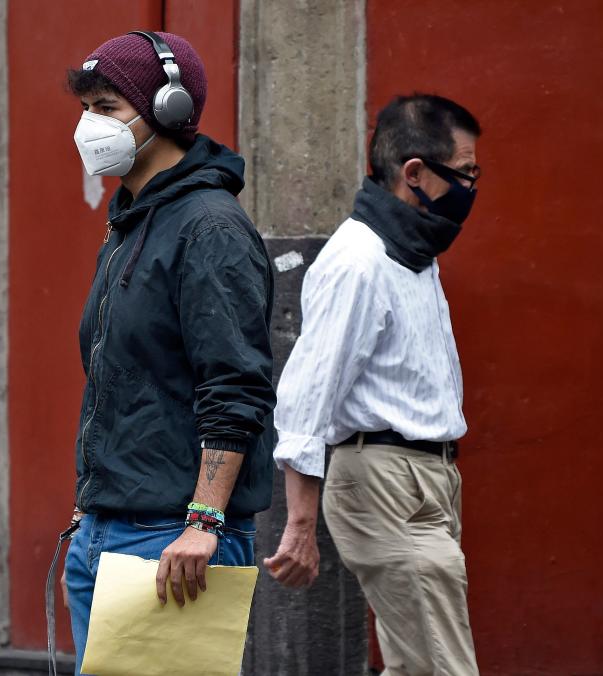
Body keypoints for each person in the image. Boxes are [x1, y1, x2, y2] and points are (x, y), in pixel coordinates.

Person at [59, 31, 276, 675]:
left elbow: (234, 385)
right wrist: (93, 506)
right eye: (87, 107)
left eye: (107, 106)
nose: (89, 125)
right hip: (108, 531)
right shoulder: (132, 220)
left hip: (172, 544)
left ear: (170, 112)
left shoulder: (208, 227)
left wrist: (204, 521)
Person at [265, 94, 482, 675]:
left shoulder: (414, 250)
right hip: (386, 480)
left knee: (415, 665)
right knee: (444, 668)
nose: (470, 187)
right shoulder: (359, 260)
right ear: (415, 173)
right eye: (464, 173)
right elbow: (307, 396)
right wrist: (301, 525)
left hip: (427, 482)